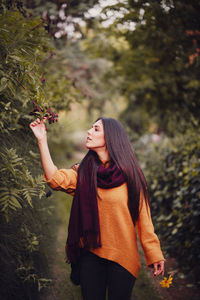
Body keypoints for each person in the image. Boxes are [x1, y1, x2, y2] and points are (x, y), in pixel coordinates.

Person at [30, 116, 165, 300]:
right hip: (91, 255)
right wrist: (42, 140)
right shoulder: (83, 173)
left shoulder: (131, 176)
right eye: (91, 128)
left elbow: (144, 220)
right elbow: (54, 179)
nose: (89, 131)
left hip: (123, 258)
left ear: (110, 138)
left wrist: (154, 254)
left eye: (95, 129)